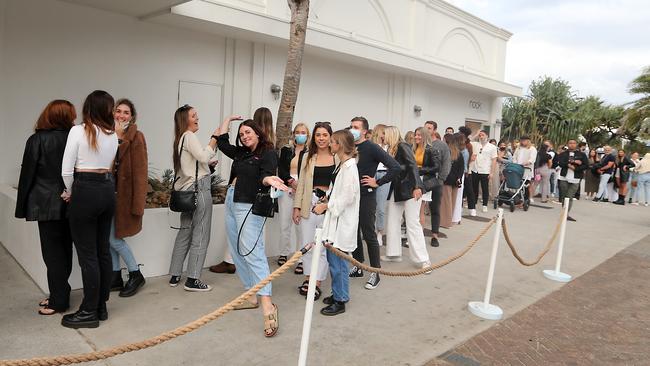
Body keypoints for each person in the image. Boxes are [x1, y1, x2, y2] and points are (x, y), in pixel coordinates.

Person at [217, 117, 288, 337]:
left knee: (253, 253)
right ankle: (251, 294)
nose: (245, 136)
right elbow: (221, 142)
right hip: (231, 200)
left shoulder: (268, 153)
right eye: (241, 134)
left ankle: (268, 306)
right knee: (238, 250)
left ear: (258, 133)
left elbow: (265, 175)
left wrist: (270, 181)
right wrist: (228, 120)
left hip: (248, 205)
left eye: (248, 132)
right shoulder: (241, 153)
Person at [60, 90, 119, 328]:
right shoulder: (112, 134)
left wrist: (70, 191)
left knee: (88, 256)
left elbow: (66, 171)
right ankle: (101, 305)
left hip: (85, 190)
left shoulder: (78, 130)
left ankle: (88, 311)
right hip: (107, 190)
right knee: (102, 250)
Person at [16, 100, 76, 315]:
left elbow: (27, 176)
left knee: (52, 254)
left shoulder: (37, 140)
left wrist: (21, 207)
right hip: (71, 202)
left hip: (45, 205)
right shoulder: (74, 138)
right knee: (66, 251)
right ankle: (60, 293)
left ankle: (59, 301)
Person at [168, 105, 218, 292]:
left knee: (185, 232)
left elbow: (191, 166)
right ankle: (193, 279)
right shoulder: (189, 136)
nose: (197, 117)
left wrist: (207, 167)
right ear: (185, 120)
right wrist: (214, 140)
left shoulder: (180, 139)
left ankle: (175, 274)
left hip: (186, 193)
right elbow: (203, 156)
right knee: (201, 233)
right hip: (199, 191)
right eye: (193, 115)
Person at [348, 117, 400, 290]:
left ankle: (375, 272)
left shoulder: (372, 147)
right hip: (351, 197)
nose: (352, 129)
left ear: (364, 131)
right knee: (353, 232)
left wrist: (377, 182)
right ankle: (359, 265)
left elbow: (395, 167)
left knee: (368, 233)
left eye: (356, 127)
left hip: (366, 196)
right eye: (351, 126)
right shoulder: (349, 146)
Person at [312, 129, 360, 316]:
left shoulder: (349, 168)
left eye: (332, 141)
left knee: (338, 264)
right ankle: (338, 293)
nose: (329, 144)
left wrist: (326, 207)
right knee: (334, 261)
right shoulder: (342, 165)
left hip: (342, 222)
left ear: (340, 144)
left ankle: (340, 301)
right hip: (335, 220)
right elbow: (338, 193)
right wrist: (327, 199)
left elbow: (347, 197)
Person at [109, 99, 147, 297]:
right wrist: (114, 135)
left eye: (126, 113)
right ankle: (115, 276)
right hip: (106, 195)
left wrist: (138, 202)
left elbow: (141, 172)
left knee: (114, 239)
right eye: (118, 111)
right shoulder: (106, 134)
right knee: (110, 238)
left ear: (132, 117)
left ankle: (135, 273)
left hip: (124, 197)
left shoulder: (136, 137)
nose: (121, 116)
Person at [292, 122, 334, 300]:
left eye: (325, 135)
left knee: (322, 247)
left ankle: (317, 283)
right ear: (314, 137)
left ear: (330, 137)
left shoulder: (337, 157)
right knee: (308, 245)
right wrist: (297, 206)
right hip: (309, 203)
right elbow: (301, 182)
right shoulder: (308, 156)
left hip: (328, 204)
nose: (321, 138)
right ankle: (308, 279)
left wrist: (329, 202)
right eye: (318, 135)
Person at [381, 126, 431, 272]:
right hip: (398, 190)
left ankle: (424, 260)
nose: (382, 136)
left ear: (391, 134)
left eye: (384, 133)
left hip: (410, 189)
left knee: (413, 223)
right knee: (393, 220)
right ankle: (393, 253)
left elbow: (412, 165)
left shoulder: (403, 146)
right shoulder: (393, 148)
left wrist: (417, 186)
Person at [276, 123, 309, 268]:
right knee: (284, 223)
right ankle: (283, 253)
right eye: (297, 132)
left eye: (303, 132)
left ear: (308, 135)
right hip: (286, 188)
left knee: (301, 226)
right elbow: (281, 169)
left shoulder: (311, 152)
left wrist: (300, 186)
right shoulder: (286, 150)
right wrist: (290, 181)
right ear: (293, 134)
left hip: (304, 190)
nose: (300, 134)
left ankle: (301, 258)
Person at [424, 121, 450, 247]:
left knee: (435, 208)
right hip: (422, 181)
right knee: (418, 209)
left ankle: (435, 235)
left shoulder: (442, 145)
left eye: (429, 128)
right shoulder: (421, 143)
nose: (427, 130)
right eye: (425, 127)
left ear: (434, 130)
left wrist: (440, 180)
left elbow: (446, 163)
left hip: (436, 181)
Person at [555, 139, 588, 221]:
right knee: (564, 196)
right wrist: (572, 163)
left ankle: (566, 214)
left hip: (576, 178)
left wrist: (576, 168)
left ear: (576, 144)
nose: (572, 144)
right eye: (570, 143)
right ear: (567, 144)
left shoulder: (582, 155)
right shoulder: (563, 154)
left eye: (574, 143)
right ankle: (564, 213)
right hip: (564, 177)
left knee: (569, 197)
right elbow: (560, 163)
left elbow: (586, 165)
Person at [470, 130, 497, 212]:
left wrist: (492, 172)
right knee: (474, 188)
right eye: (480, 135)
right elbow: (469, 140)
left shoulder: (492, 147)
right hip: (475, 169)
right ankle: (473, 203)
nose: (481, 137)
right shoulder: (475, 144)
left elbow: (494, 160)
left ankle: (484, 204)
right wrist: (476, 134)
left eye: (483, 135)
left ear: (487, 136)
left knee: (485, 188)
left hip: (485, 170)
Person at [413, 127, 435, 226]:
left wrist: (420, 170)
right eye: (416, 134)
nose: (416, 137)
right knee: (412, 209)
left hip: (424, 180)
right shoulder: (413, 148)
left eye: (419, 135)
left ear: (424, 136)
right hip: (413, 179)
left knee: (420, 209)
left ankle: (419, 236)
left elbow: (436, 167)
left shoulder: (430, 150)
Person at [371, 124, 389, 246]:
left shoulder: (390, 146)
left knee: (381, 207)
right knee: (370, 206)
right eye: (382, 132)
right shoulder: (372, 145)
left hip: (384, 174)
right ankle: (370, 230)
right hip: (372, 173)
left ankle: (380, 232)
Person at [441, 133, 464, 229]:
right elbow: (461, 168)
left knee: (445, 202)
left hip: (446, 179)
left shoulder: (446, 152)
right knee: (452, 202)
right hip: (456, 180)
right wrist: (458, 177)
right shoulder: (459, 154)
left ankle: (445, 222)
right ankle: (449, 221)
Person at [513, 135, 537, 202]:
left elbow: (532, 159)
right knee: (517, 185)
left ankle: (526, 200)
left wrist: (526, 163)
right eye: (521, 140)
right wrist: (515, 163)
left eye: (524, 140)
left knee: (525, 185)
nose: (522, 142)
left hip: (526, 169)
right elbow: (514, 156)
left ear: (528, 141)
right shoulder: (518, 148)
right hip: (517, 168)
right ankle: (518, 200)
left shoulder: (532, 149)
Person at [458, 126, 476, 216]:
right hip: (458, 170)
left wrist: (467, 169)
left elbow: (470, 158)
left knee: (469, 189)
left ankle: (472, 208)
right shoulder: (456, 142)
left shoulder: (469, 145)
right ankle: (459, 207)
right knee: (459, 189)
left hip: (466, 170)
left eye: (460, 132)